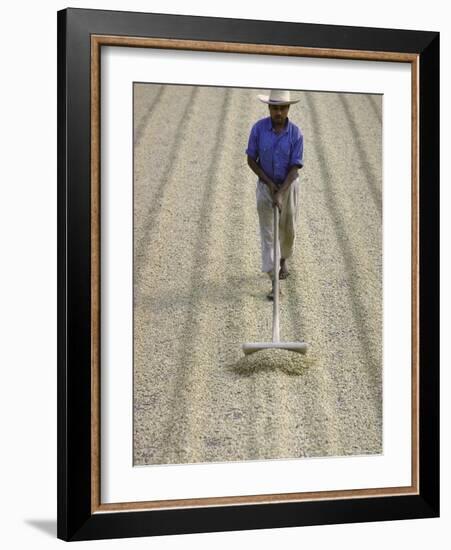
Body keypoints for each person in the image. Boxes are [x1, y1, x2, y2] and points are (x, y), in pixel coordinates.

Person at [245, 89, 304, 298]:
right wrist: (270, 185)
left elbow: (295, 167)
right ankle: (274, 283)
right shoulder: (258, 130)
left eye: (282, 108)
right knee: (269, 235)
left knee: (288, 229)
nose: (278, 112)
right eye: (274, 108)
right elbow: (251, 159)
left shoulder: (296, 134)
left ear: (288, 109)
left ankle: (283, 260)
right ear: (269, 108)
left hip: (289, 186)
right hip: (265, 186)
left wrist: (281, 192)